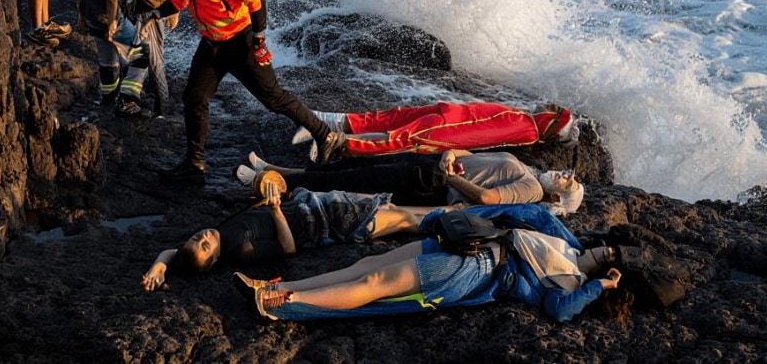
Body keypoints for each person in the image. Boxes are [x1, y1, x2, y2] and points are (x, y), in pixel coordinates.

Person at [143, 0, 344, 182]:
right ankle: (194, 165)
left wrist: (259, 39)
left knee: (273, 98)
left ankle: (326, 135)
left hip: (241, 44)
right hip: (211, 46)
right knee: (194, 98)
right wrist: (154, 14)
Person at [238, 203, 628, 323]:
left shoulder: (573, 283)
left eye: (610, 256)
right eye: (609, 248)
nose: (606, 250)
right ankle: (276, 287)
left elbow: (560, 311)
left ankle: (285, 303)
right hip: (469, 243)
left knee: (375, 283)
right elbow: (532, 212)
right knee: (368, 263)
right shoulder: (566, 245)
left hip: (478, 268)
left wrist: (602, 286)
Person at [141, 179, 448, 292]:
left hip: (315, 202)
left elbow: (174, 253)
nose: (203, 236)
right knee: (406, 221)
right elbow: (287, 248)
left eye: (196, 237)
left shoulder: (215, 238)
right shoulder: (242, 250)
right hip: (329, 220)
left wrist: (158, 267)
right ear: (214, 261)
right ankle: (459, 218)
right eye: (205, 245)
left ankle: (457, 211)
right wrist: (275, 209)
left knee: (392, 207)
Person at [237, 150, 584, 215]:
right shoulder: (527, 169)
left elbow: (487, 198)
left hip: (433, 184)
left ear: (557, 197)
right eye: (570, 174)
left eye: (569, 183)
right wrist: (451, 152)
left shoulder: (532, 190)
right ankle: (279, 170)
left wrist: (450, 175)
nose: (566, 175)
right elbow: (475, 155)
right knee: (356, 165)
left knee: (355, 180)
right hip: (434, 165)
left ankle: (277, 185)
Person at [292, 101, 576, 159]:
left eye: (552, 110)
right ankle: (328, 129)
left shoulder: (525, 122)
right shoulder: (526, 125)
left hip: (448, 118)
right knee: (395, 129)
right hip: (449, 121)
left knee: (395, 127)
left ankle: (328, 128)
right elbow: (482, 128)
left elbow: (481, 126)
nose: (547, 106)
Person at [121, 0, 179, 118]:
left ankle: (160, 109)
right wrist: (174, 12)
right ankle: (158, 105)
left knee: (150, 60)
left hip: (141, 11)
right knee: (152, 59)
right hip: (157, 9)